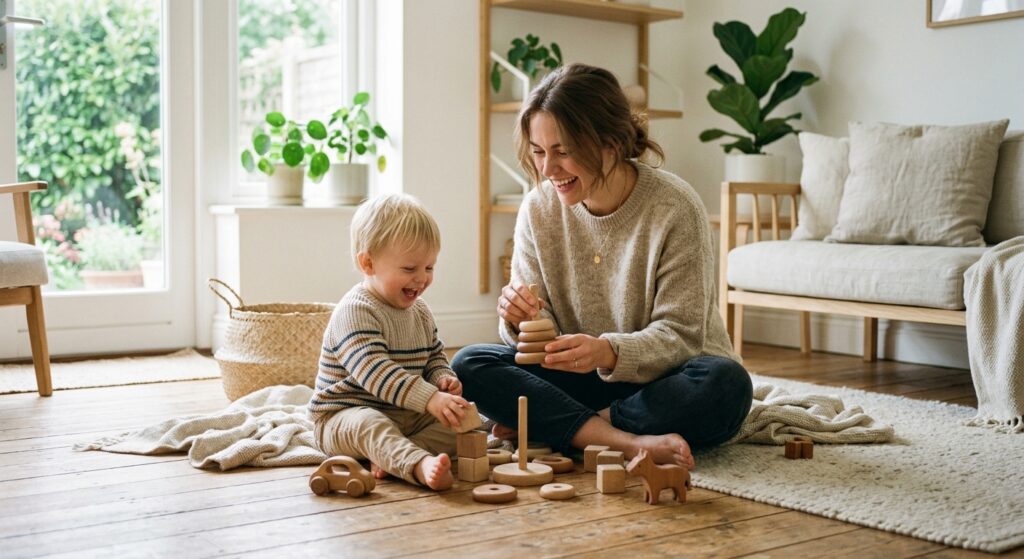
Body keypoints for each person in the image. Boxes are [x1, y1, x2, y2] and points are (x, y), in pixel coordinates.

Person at [452, 63, 752, 469]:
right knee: (470, 364)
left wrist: (608, 351)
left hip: (663, 379)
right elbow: (537, 345)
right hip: (582, 382)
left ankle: (563, 425)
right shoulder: (538, 210)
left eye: (562, 151)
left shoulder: (675, 207)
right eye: (539, 152)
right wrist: (521, 321)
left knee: (726, 385)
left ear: (610, 142)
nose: (547, 169)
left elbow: (681, 336)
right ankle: (623, 440)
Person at [309, 193, 469, 490]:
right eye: (409, 269)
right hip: (344, 418)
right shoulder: (355, 311)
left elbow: (433, 354)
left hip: (405, 417)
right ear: (368, 263)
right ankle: (417, 464)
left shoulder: (419, 310)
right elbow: (377, 373)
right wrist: (431, 398)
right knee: (371, 424)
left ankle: (392, 454)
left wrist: (442, 378)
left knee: (464, 423)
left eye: (429, 267)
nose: (421, 279)